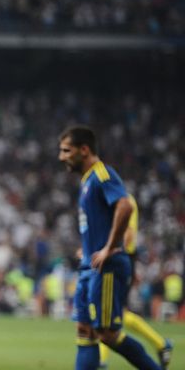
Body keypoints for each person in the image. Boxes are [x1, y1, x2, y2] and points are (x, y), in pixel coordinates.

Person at [58, 125, 162, 370]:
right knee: (85, 330)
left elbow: (125, 206)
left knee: (106, 333)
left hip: (107, 267)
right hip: (89, 266)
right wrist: (89, 248)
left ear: (84, 150)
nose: (61, 156)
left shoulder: (102, 174)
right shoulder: (87, 181)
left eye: (66, 150)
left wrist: (109, 247)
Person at [97, 195, 173, 369]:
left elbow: (129, 234)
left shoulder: (122, 199)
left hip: (118, 257)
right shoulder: (121, 197)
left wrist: (112, 251)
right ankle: (161, 344)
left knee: (108, 311)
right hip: (122, 257)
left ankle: (102, 360)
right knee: (116, 312)